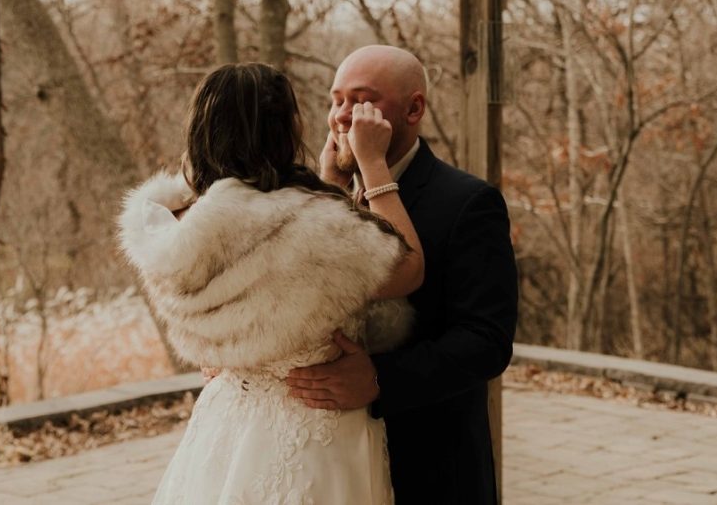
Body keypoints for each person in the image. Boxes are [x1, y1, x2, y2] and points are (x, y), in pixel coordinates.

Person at [118, 62, 424, 505]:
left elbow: (274, 249)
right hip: (314, 432)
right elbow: (408, 269)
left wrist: (330, 183)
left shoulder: (174, 227)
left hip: (225, 422)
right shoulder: (313, 226)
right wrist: (374, 166)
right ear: (284, 130)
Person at [285, 45, 519, 505]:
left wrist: (379, 380)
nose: (343, 116)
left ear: (413, 109)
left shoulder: (468, 202)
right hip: (326, 463)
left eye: (363, 101)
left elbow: (487, 342)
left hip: (429, 466)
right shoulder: (318, 194)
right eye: (336, 101)